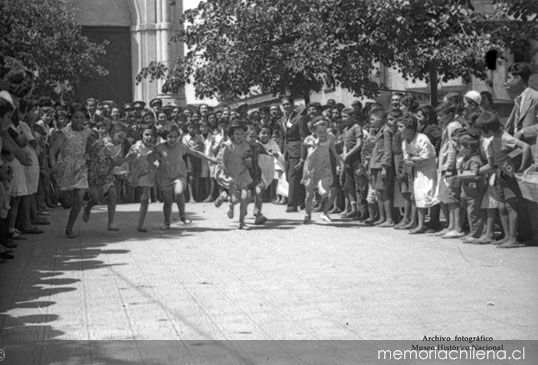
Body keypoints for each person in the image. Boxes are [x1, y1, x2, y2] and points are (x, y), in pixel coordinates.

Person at [477, 112, 531, 248]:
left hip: (508, 175)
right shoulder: (493, 139)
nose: (481, 134)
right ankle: (507, 236)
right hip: (500, 175)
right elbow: (494, 162)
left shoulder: (505, 137)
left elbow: (525, 147)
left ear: (488, 130)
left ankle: (513, 238)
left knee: (510, 206)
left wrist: (522, 167)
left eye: (482, 131)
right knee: (501, 206)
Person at [148, 125, 216, 230]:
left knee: (179, 192)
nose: (173, 139)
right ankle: (166, 222)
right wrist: (154, 161)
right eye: (170, 136)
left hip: (179, 175)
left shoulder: (181, 146)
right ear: (165, 137)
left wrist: (210, 159)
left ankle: (183, 216)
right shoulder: (160, 147)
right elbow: (150, 158)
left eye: (175, 137)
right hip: (165, 177)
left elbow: (196, 152)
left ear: (179, 137)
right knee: (168, 202)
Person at [49, 106, 93, 238]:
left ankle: (69, 228)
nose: (79, 120)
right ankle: (63, 199)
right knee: (67, 202)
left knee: (80, 196)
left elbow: (91, 149)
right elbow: (52, 151)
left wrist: (89, 158)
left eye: (82, 118)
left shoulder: (87, 132)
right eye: (76, 117)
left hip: (81, 168)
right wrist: (54, 167)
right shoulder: (64, 132)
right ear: (71, 118)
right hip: (65, 167)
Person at [82, 124, 127, 231]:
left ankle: (111, 223)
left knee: (112, 194)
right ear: (111, 134)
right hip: (93, 173)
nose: (121, 140)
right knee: (96, 199)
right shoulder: (106, 144)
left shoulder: (117, 144)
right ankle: (88, 208)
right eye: (119, 137)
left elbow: (114, 162)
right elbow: (118, 162)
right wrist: (131, 157)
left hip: (106, 172)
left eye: (124, 138)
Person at [399, 115, 438, 234]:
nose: (399, 129)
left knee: (432, 195)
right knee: (419, 196)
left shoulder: (422, 138)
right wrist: (414, 160)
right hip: (418, 171)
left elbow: (425, 157)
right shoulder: (405, 142)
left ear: (410, 128)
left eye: (402, 127)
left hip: (430, 170)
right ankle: (420, 225)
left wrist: (413, 159)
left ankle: (434, 222)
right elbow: (406, 159)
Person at [301, 117, 342, 224]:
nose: (323, 133)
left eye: (324, 131)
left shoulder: (330, 137)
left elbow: (334, 152)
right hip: (312, 167)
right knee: (309, 196)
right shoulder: (310, 139)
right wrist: (317, 145)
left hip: (325, 166)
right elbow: (310, 155)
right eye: (320, 131)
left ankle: (324, 211)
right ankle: (307, 214)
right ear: (313, 130)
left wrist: (338, 164)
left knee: (325, 193)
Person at [450, 134, 486, 244]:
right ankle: (473, 232)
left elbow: (475, 173)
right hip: (467, 191)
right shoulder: (466, 158)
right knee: (470, 212)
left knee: (474, 212)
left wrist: (460, 176)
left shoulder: (474, 160)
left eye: (460, 146)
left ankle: (476, 234)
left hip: (474, 190)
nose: (457, 148)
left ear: (468, 148)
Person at [220, 120, 253, 229]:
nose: (239, 136)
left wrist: (248, 162)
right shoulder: (228, 145)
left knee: (245, 197)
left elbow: (248, 160)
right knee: (235, 199)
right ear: (232, 134)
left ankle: (241, 222)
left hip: (243, 174)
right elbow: (223, 162)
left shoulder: (246, 145)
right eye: (236, 134)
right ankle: (228, 200)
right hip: (232, 175)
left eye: (242, 134)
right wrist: (227, 176)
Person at [125, 127, 157, 232]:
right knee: (129, 198)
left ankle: (140, 224)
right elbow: (127, 159)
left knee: (145, 198)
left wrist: (154, 163)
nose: (149, 137)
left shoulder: (153, 148)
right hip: (133, 173)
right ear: (141, 136)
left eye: (151, 135)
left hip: (146, 174)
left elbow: (157, 162)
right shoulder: (136, 146)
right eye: (146, 134)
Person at [281, 96, 308, 212]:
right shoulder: (282, 119)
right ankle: (302, 202)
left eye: (288, 104)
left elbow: (303, 138)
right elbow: (283, 137)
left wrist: (302, 157)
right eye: (284, 105)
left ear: (292, 105)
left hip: (296, 150)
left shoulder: (299, 118)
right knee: (290, 177)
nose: (286, 106)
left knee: (293, 177)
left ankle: (291, 205)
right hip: (287, 151)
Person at [368, 108, 394, 227]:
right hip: (375, 165)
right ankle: (382, 217)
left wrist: (385, 167)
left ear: (380, 118)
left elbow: (388, 151)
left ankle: (389, 219)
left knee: (383, 192)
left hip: (381, 166)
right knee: (378, 192)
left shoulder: (386, 131)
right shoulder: (378, 132)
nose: (371, 122)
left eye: (373, 119)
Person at [245, 125, 269, 225]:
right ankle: (240, 210)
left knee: (259, 192)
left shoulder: (258, 146)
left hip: (256, 174)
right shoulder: (242, 147)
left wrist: (271, 153)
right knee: (247, 197)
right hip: (245, 176)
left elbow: (265, 152)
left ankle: (257, 213)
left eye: (255, 136)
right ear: (245, 137)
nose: (253, 139)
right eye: (251, 136)